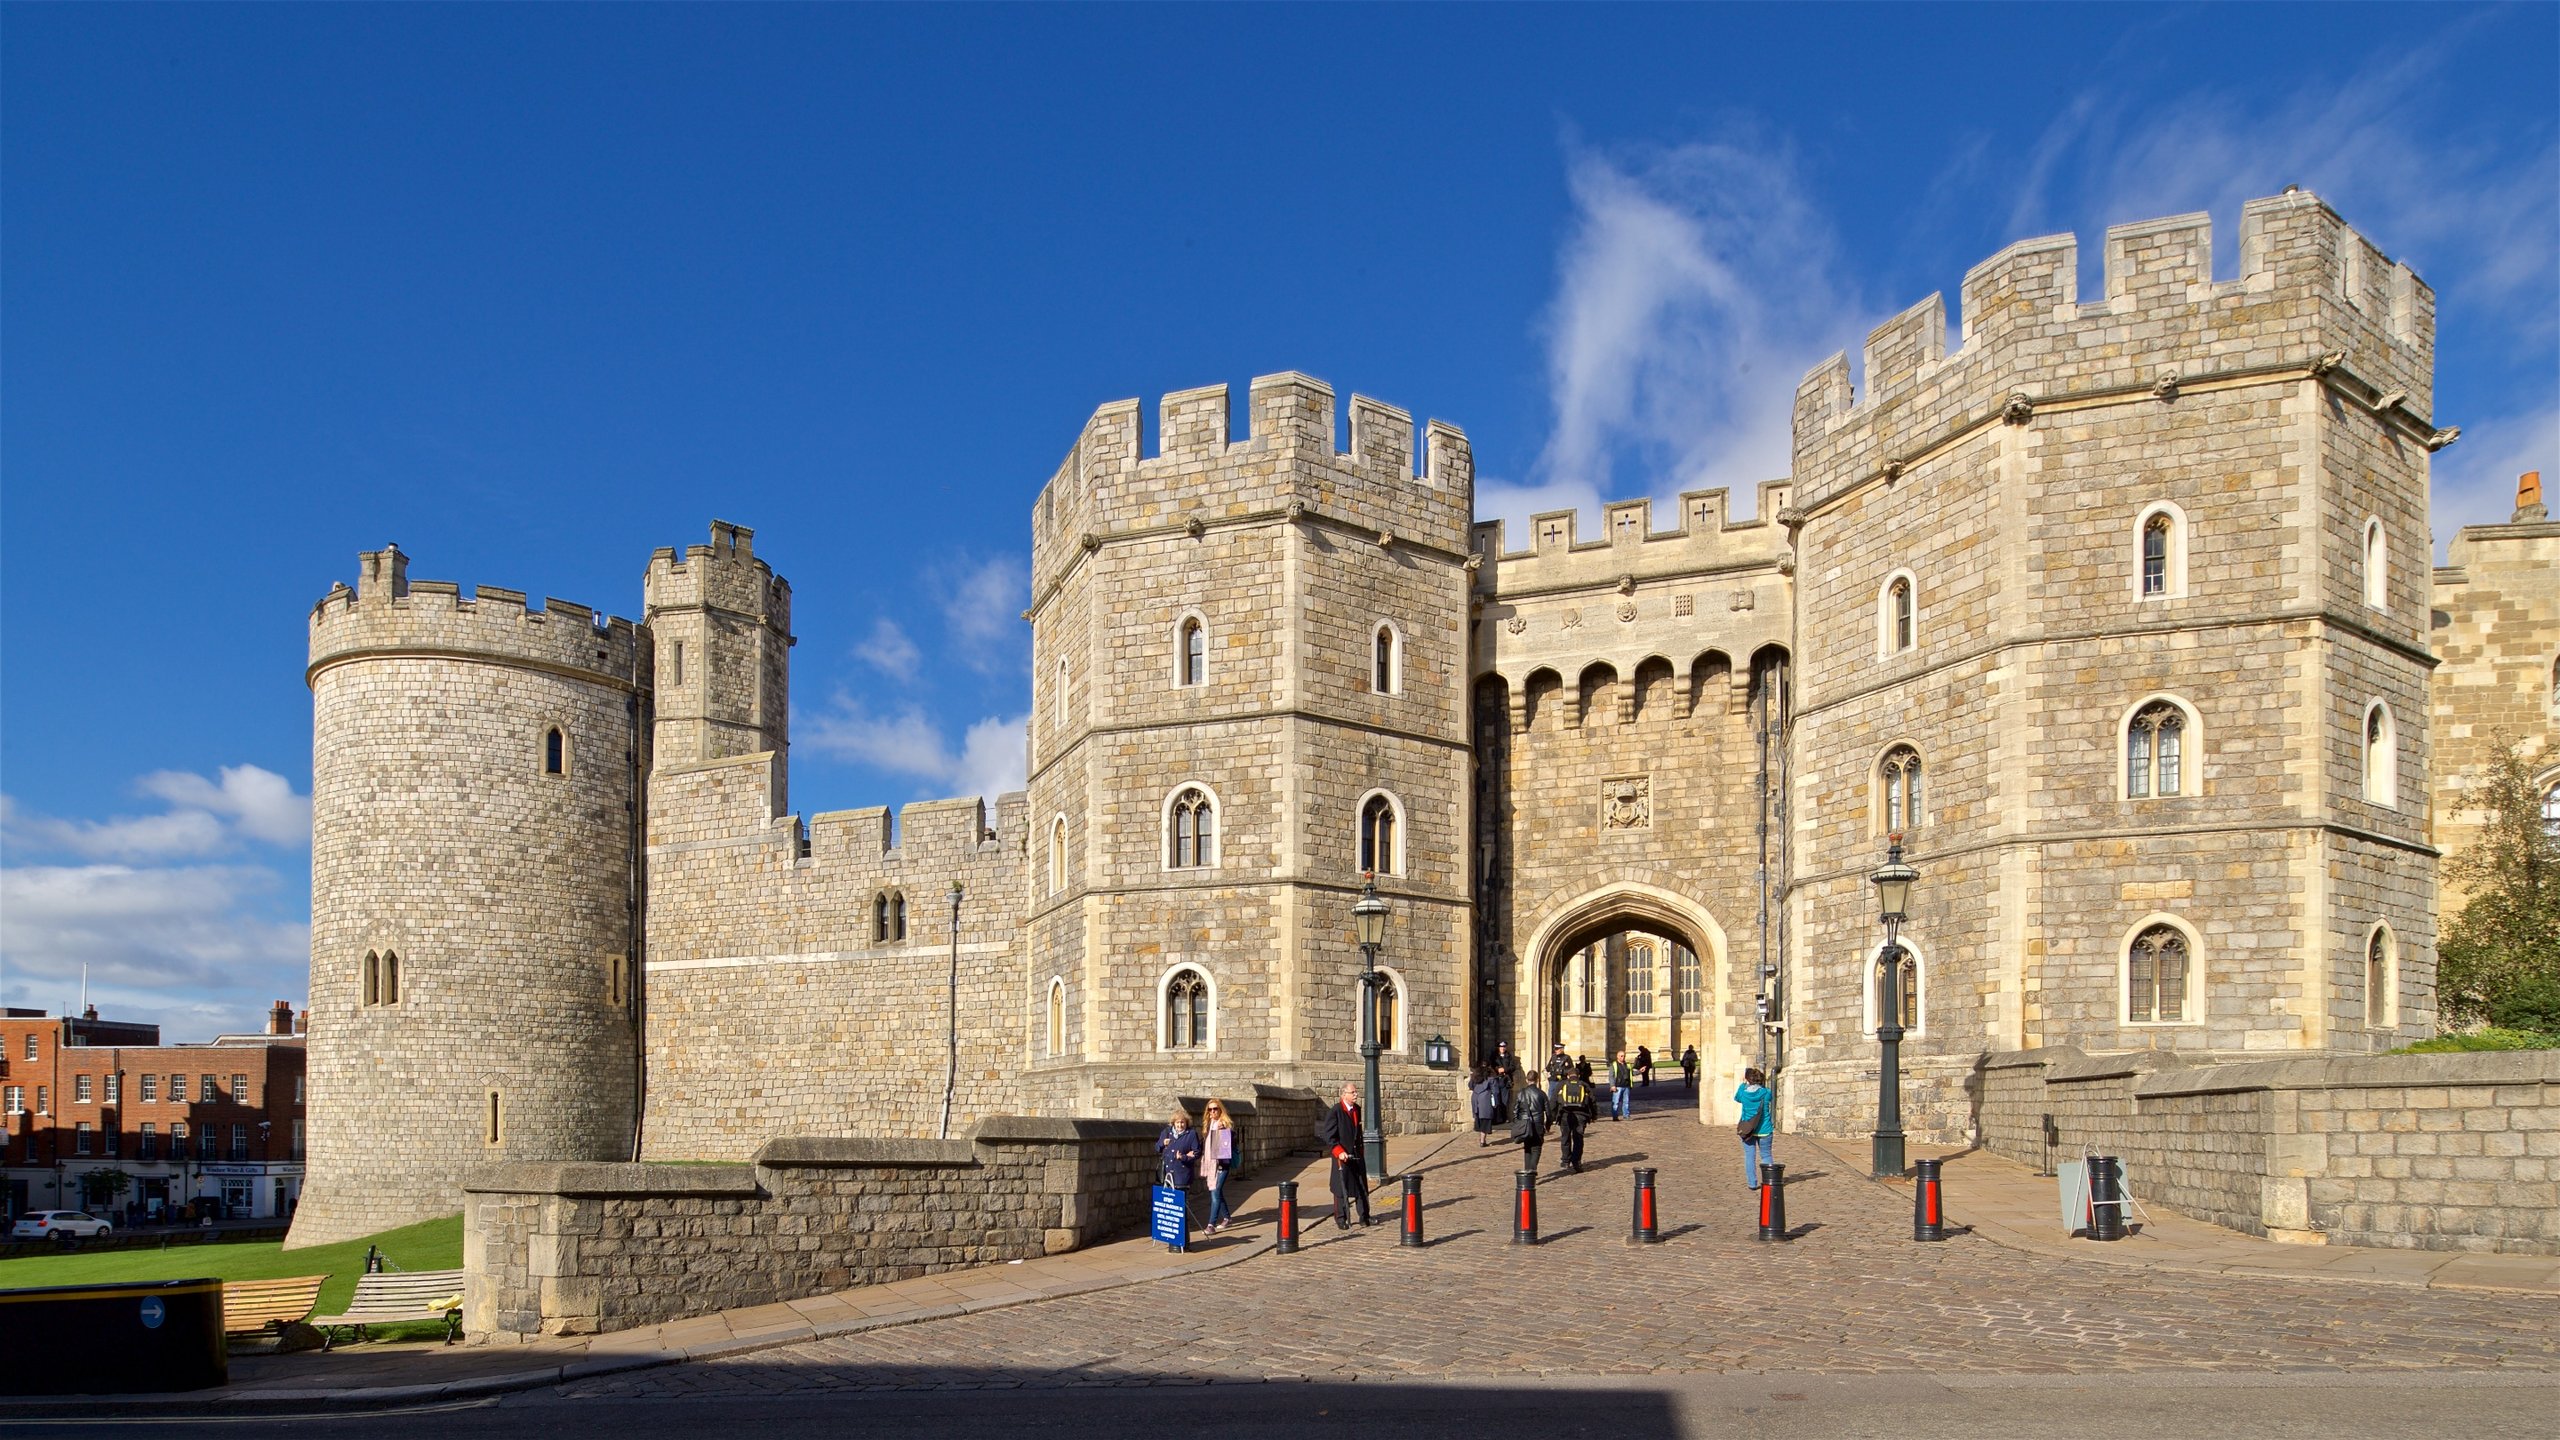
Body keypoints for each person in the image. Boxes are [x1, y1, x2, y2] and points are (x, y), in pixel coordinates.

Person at [1318, 1081, 1372, 1229]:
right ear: (1344, 1094)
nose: (1356, 1094)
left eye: (1356, 1092)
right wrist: (1339, 1152)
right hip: (1342, 1156)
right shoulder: (1335, 1112)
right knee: (1341, 1188)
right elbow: (1329, 1136)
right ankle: (1341, 1218)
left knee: (1361, 1186)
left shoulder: (1357, 1109)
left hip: (1356, 1154)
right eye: (1352, 1092)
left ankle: (1364, 1216)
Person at [1156, 1108, 1204, 1250]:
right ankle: (1174, 1242)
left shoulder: (1191, 1134)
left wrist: (1183, 1157)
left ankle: (1182, 1243)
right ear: (1173, 1123)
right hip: (1168, 1176)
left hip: (1182, 1177)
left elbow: (1196, 1153)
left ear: (1186, 1123)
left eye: (1182, 1122)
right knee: (1170, 1210)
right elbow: (1157, 1147)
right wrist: (1162, 1144)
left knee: (1181, 1209)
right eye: (1177, 1122)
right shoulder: (1167, 1133)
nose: (1180, 1125)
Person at [1199, 1098, 1239, 1234]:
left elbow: (1232, 1140)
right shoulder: (1209, 1124)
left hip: (1221, 1164)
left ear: (1220, 1110)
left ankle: (1211, 1224)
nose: (1212, 1111)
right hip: (1211, 1163)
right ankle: (1227, 1217)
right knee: (1217, 1191)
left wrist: (1224, 1131)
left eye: (1215, 1109)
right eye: (1210, 1109)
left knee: (1215, 1192)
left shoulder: (1224, 1124)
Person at [1736, 1067, 1775, 1191]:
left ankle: (1752, 1183)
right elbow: (1770, 1097)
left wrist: (1743, 1084)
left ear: (1748, 1079)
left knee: (1749, 1156)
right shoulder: (1766, 1092)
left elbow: (1737, 1097)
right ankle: (1769, 1180)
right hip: (1765, 1129)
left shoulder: (1743, 1093)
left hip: (1748, 1129)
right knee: (1766, 1155)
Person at [1511, 1072, 1552, 1176]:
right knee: (1536, 1148)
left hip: (1525, 1124)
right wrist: (1548, 1125)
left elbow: (1515, 1110)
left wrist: (1518, 1123)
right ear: (1537, 1079)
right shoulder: (1541, 1094)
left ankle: (1528, 1170)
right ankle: (1531, 1171)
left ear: (1527, 1079)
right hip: (1537, 1123)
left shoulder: (1521, 1093)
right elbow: (1548, 1112)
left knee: (1527, 1148)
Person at [1555, 1064, 1594, 1173]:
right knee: (1578, 1139)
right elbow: (1592, 1101)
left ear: (1568, 1076)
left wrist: (1552, 1117)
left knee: (1565, 1137)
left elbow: (1553, 1100)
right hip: (1581, 1115)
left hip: (1565, 1115)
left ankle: (1565, 1160)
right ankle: (1576, 1161)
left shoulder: (1562, 1085)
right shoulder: (1584, 1085)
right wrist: (1594, 1115)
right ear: (1579, 1075)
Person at [1469, 1064, 1502, 1146]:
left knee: (1479, 1119)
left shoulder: (1475, 1078)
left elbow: (1470, 1086)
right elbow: (1495, 1091)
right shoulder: (1491, 1079)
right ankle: (1482, 1141)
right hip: (1485, 1099)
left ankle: (1481, 1139)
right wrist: (1496, 1103)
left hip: (1475, 1097)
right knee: (1485, 1120)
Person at [1609, 1051, 1634, 1121]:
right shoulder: (1614, 1064)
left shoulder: (1627, 1064)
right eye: (1621, 1056)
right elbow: (1611, 1076)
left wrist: (1640, 1071)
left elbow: (1631, 1073)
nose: (1623, 1057)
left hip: (1626, 1086)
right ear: (1617, 1056)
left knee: (1626, 1102)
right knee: (1615, 1102)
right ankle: (1615, 1116)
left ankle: (1626, 1115)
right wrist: (1612, 1085)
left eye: (1624, 1056)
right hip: (1618, 1086)